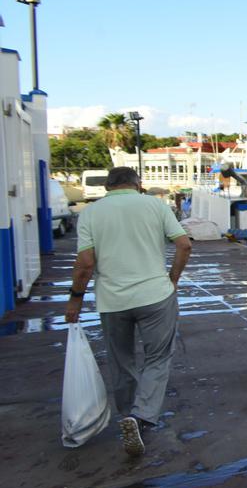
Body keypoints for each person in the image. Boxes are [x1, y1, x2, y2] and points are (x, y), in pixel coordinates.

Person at [65, 167, 192, 457]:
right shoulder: (155, 205)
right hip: (155, 296)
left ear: (108, 187)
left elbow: (85, 263)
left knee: (121, 361)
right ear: (138, 184)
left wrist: (74, 300)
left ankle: (127, 415)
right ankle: (142, 416)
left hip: (112, 301)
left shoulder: (91, 214)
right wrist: (173, 278)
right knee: (157, 358)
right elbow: (184, 245)